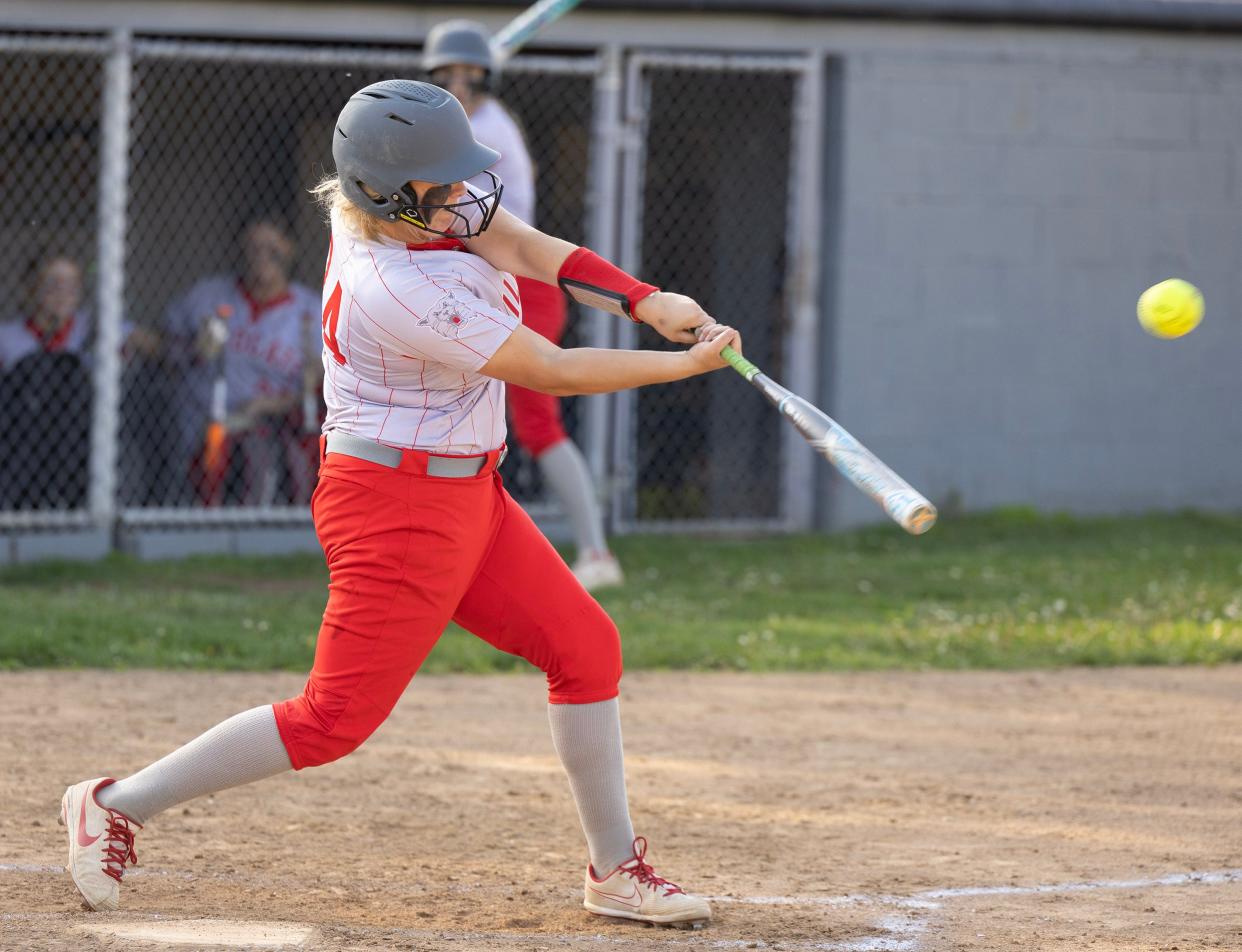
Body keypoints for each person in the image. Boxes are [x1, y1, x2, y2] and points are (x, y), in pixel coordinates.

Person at [59, 80, 740, 929]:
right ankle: (118, 802)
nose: (464, 196)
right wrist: (682, 367)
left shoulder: (412, 213)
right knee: (331, 721)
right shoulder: (395, 283)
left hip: (468, 492)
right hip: (396, 506)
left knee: (585, 646)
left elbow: (532, 247)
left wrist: (646, 300)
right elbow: (553, 369)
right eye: (442, 183)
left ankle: (615, 871)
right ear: (387, 195)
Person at [424, 20, 624, 590]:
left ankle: (596, 552)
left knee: (535, 419)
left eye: (467, 74)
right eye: (446, 75)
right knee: (458, 411)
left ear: (487, 75)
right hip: (484, 278)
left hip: (520, 283)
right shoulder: (467, 123)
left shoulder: (487, 129)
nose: (458, 84)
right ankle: (465, 548)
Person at [163, 218, 322, 505]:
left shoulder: (312, 312)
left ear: (289, 250)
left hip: (274, 423)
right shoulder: (208, 296)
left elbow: (320, 388)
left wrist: (274, 405)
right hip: (205, 419)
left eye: (271, 249)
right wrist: (193, 348)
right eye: (254, 248)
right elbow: (163, 348)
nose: (261, 257)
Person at [0, 254, 93, 509]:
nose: (63, 293)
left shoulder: (92, 329)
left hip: (77, 444)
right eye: (53, 283)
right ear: (32, 288)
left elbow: (149, 344)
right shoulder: (8, 337)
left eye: (72, 285)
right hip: (22, 447)